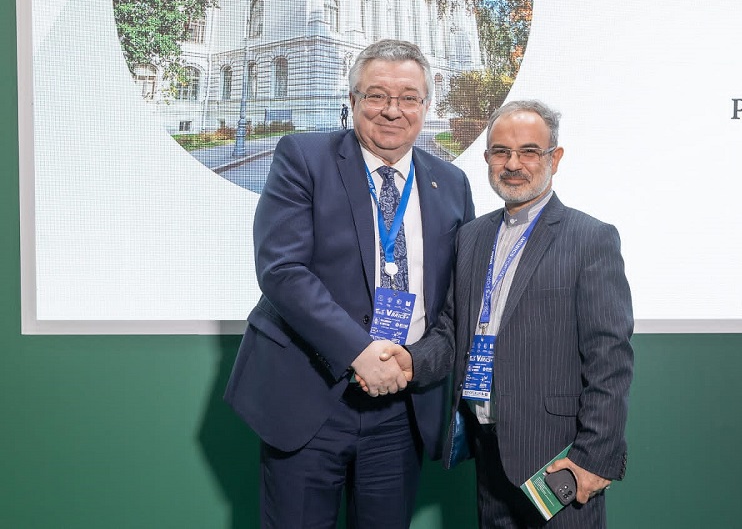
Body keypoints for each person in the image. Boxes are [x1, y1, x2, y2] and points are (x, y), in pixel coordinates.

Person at [224, 39, 475, 529]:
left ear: (426, 106)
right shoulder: (303, 157)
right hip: (310, 397)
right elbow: (282, 269)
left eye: (408, 98)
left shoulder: (452, 183)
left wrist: (414, 362)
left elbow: (455, 301)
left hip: (402, 407)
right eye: (377, 95)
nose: (392, 110)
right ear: (353, 100)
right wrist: (359, 352)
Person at [372, 100, 634, 528]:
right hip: (487, 451)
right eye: (501, 152)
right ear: (487, 158)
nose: (513, 164)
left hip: (558, 460)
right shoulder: (472, 237)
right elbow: (453, 329)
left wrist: (593, 458)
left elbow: (611, 360)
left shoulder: (591, 238)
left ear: (555, 159)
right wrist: (412, 360)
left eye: (529, 151)